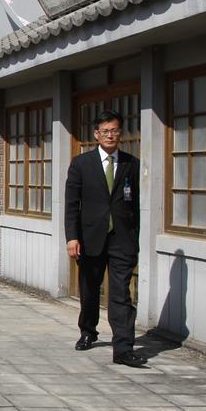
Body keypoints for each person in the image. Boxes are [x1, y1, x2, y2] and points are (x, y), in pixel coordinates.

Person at [65, 110, 145, 367]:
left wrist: (134, 239)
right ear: (96, 134)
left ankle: (123, 348)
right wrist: (72, 237)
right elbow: (71, 204)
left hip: (122, 238)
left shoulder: (131, 163)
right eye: (106, 131)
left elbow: (135, 205)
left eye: (115, 131)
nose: (111, 135)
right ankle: (88, 331)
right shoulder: (81, 164)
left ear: (121, 133)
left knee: (121, 293)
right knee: (90, 290)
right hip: (90, 237)